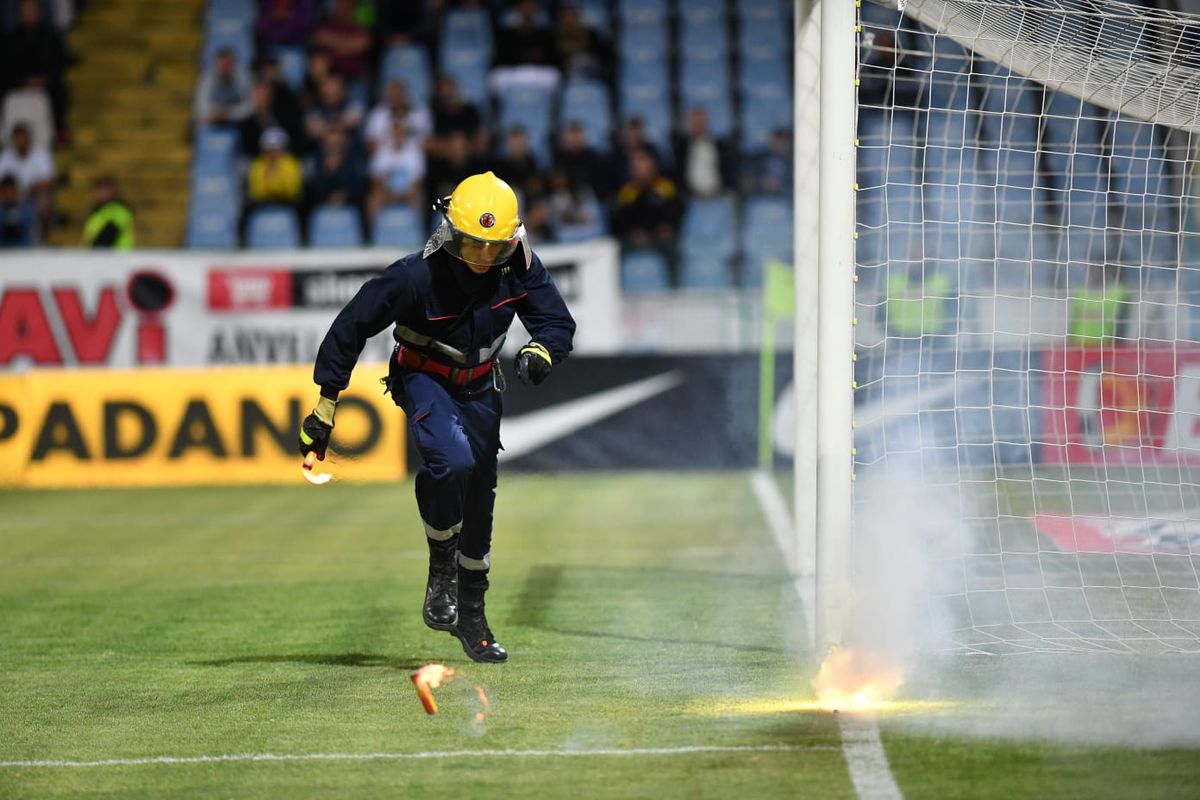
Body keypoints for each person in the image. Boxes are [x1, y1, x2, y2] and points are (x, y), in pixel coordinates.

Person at [298, 172, 576, 663]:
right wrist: (327, 400)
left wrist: (542, 350)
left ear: (511, 240)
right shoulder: (414, 276)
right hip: (423, 376)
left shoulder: (520, 266)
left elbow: (556, 322)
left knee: (481, 497)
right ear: (451, 232)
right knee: (452, 460)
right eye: (473, 244)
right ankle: (441, 570)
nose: (483, 258)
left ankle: (472, 616)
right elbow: (352, 324)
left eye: (494, 247)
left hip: (483, 384)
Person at [194, 47, 255, 132]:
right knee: (198, 123)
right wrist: (217, 113)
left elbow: (251, 106)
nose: (225, 68)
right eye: (222, 64)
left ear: (234, 64)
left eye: (228, 64)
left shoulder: (243, 77)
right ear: (216, 64)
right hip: (213, 119)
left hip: (237, 121)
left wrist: (229, 113)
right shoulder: (208, 78)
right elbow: (200, 106)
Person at [81, 175, 135, 249]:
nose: (101, 193)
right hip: (100, 255)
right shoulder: (98, 212)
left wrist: (92, 252)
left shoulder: (118, 210)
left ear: (113, 191)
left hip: (114, 255)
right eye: (99, 190)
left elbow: (108, 236)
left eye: (105, 190)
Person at [0, 174, 36, 247]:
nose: (9, 194)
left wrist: (12, 221)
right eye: (6, 191)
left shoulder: (26, 207)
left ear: (16, 190)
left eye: (11, 190)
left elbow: (28, 225)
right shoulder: (1, 209)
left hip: (23, 248)